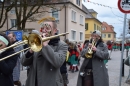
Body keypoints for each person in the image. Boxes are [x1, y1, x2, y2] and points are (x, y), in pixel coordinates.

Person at [21, 17, 68, 86]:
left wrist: (46, 46)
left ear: (55, 30)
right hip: (33, 82)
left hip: (51, 82)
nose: (44, 30)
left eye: (47, 28)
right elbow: (23, 62)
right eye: (43, 28)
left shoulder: (62, 45)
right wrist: (30, 51)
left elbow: (58, 62)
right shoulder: (37, 42)